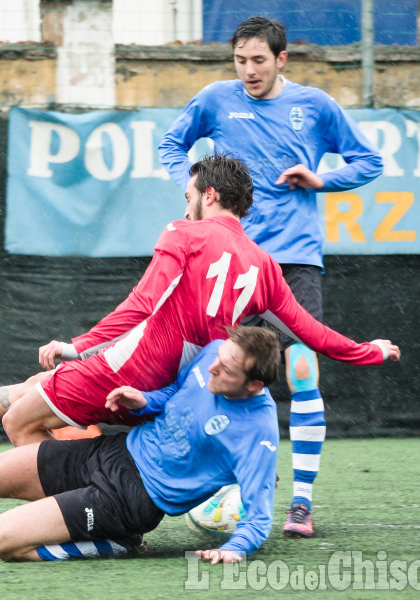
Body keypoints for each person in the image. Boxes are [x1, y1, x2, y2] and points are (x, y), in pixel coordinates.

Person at [0, 154, 399, 452]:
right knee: (33, 388)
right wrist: (370, 350)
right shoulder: (265, 264)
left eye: (190, 193)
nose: (185, 203)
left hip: (136, 367)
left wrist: (80, 345)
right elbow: (312, 334)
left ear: (212, 196)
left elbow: (143, 301)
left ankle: (88, 512)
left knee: (20, 421)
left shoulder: (186, 232)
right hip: (182, 386)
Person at [158, 16, 384, 538]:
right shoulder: (216, 99)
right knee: (211, 370)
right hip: (231, 257)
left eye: (259, 60)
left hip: (295, 261)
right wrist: (190, 187)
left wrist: (321, 178)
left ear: (282, 59)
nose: (249, 71)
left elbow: (369, 161)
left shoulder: (315, 106)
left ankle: (300, 503)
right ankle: (207, 483)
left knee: (301, 370)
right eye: (240, 61)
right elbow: (173, 146)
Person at [0, 327, 284, 564]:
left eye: (226, 370)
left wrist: (234, 550)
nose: (213, 365)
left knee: (3, 540)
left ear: (254, 384)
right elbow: (174, 392)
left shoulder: (258, 433)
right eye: (218, 356)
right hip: (114, 452)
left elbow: (259, 516)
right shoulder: (215, 352)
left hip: (133, 500)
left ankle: (119, 541)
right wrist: (145, 399)